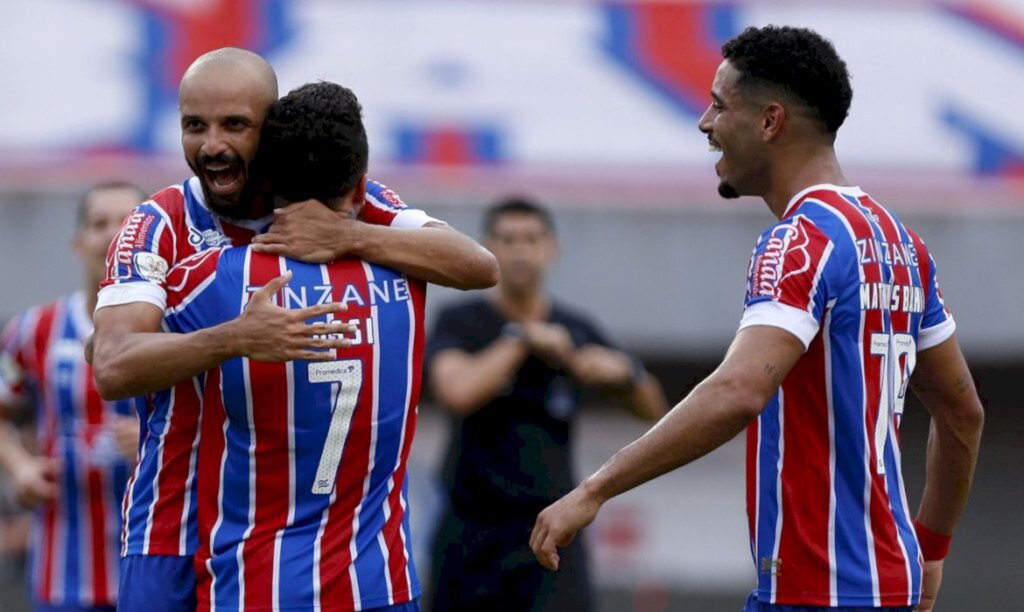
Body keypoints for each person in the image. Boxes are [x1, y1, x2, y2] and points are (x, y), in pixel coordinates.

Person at [530, 25, 984, 612]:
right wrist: (933, 549)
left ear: (770, 122)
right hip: (889, 583)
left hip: (816, 591)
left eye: (719, 105)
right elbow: (963, 412)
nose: (705, 123)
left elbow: (740, 390)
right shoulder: (902, 244)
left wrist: (594, 490)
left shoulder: (798, 241)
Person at [90, 48, 497, 610]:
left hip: (279, 542)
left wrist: (351, 237)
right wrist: (233, 337)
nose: (212, 145)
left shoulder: (350, 204)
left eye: (235, 124)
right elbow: (109, 363)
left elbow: (478, 265)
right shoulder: (156, 223)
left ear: (271, 126)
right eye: (194, 126)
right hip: (173, 527)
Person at [167, 80, 425, 610]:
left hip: (253, 584)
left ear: (267, 180)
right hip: (380, 582)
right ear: (360, 189)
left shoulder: (217, 279)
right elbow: (475, 264)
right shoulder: (411, 274)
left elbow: (110, 356)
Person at [426, 198, 668, 611]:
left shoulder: (577, 328)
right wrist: (521, 339)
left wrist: (625, 373)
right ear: (488, 248)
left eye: (531, 239)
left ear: (552, 248)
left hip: (553, 529)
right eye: (507, 239)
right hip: (471, 532)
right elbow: (457, 392)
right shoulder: (462, 322)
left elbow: (654, 410)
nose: (520, 250)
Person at [0, 183, 143, 611]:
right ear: (79, 242)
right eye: (100, 223)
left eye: (128, 224)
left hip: (154, 567)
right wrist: (20, 466)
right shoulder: (33, 330)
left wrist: (158, 437)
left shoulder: (180, 327)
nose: (113, 235)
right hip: (62, 572)